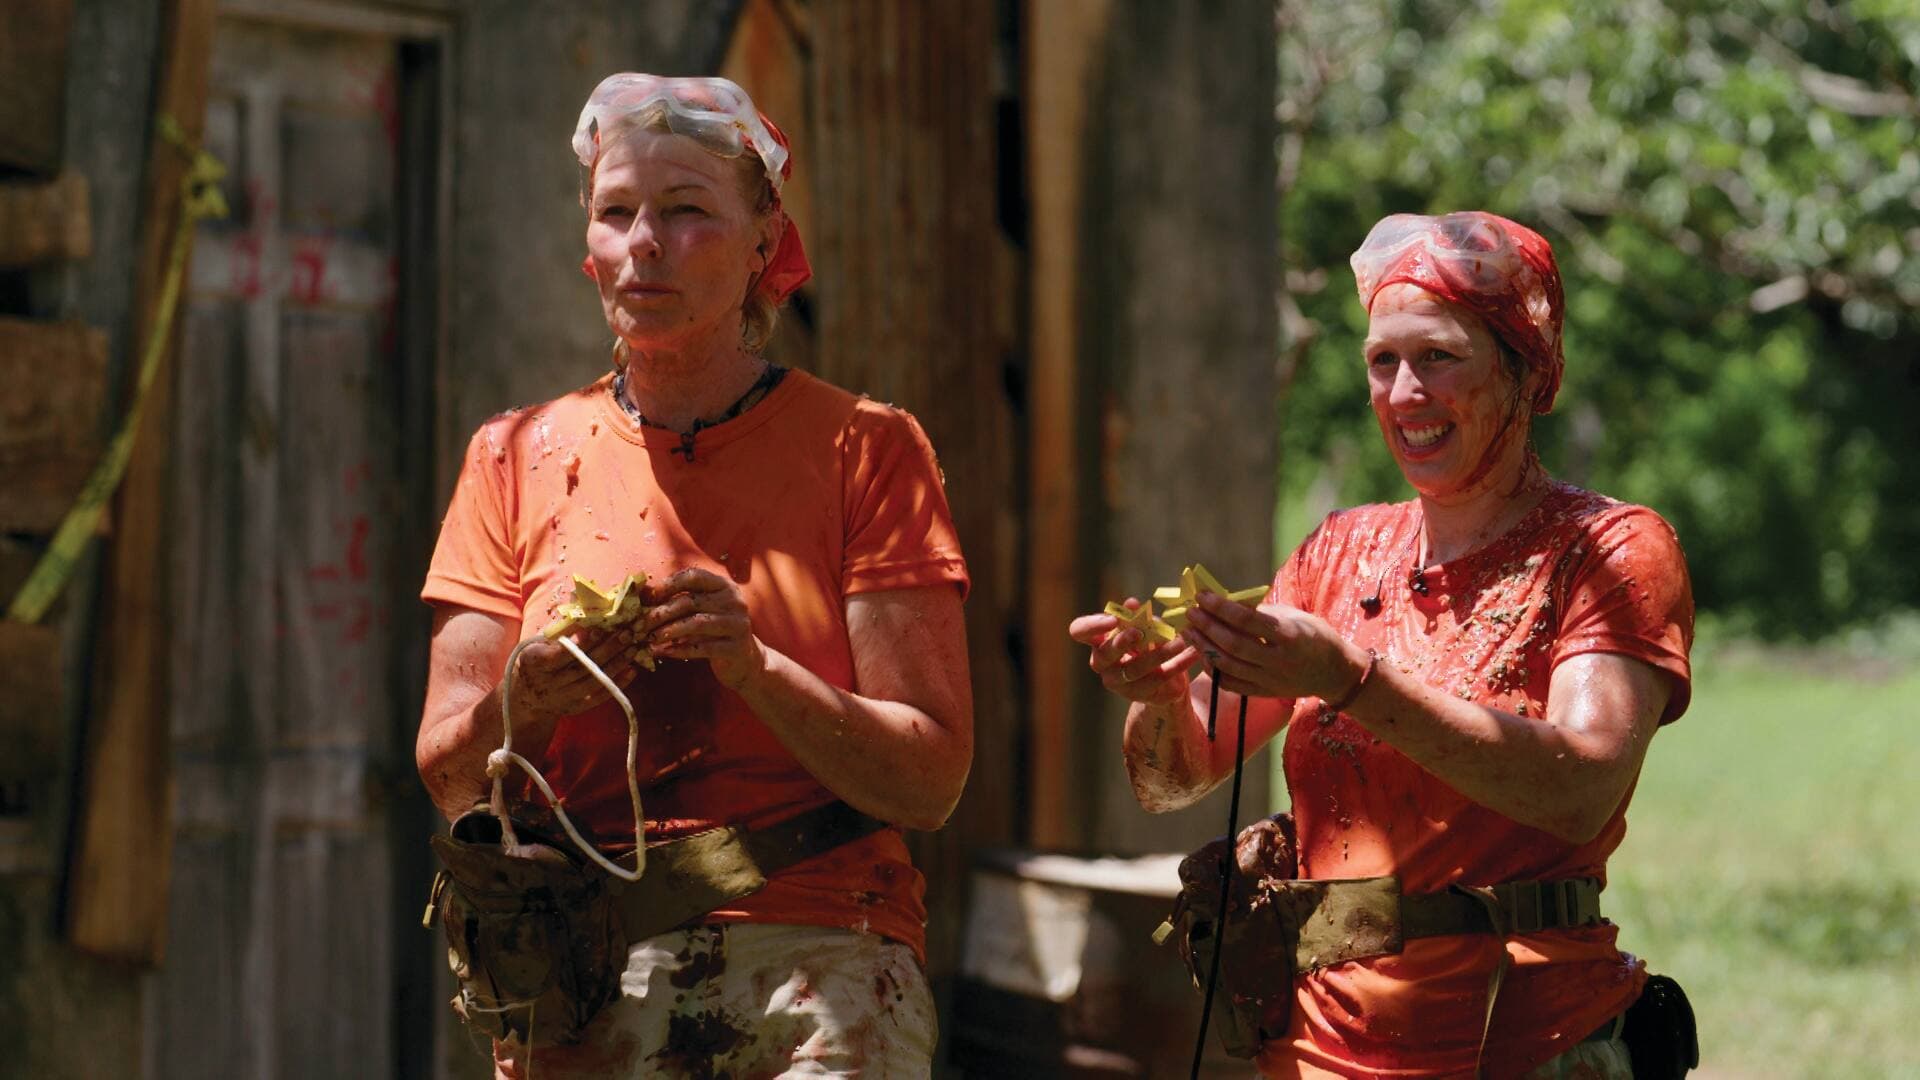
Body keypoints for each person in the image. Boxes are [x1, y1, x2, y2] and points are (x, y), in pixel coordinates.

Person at [416, 73, 972, 1079]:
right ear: (588, 249)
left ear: (764, 241)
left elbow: (931, 782)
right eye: (616, 212)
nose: (645, 243)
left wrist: (752, 664)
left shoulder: (865, 448)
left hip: (822, 967)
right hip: (578, 977)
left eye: (686, 212)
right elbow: (452, 773)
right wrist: (524, 702)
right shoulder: (514, 456)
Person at [1071, 212, 1696, 1078]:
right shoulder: (1340, 551)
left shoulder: (1607, 550)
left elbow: (1579, 790)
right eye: (1382, 361)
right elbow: (1170, 778)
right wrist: (1159, 693)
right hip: (1314, 1050)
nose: (1405, 393)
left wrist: (1351, 678)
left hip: (1525, 1042)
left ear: (1525, 368)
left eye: (1438, 357)